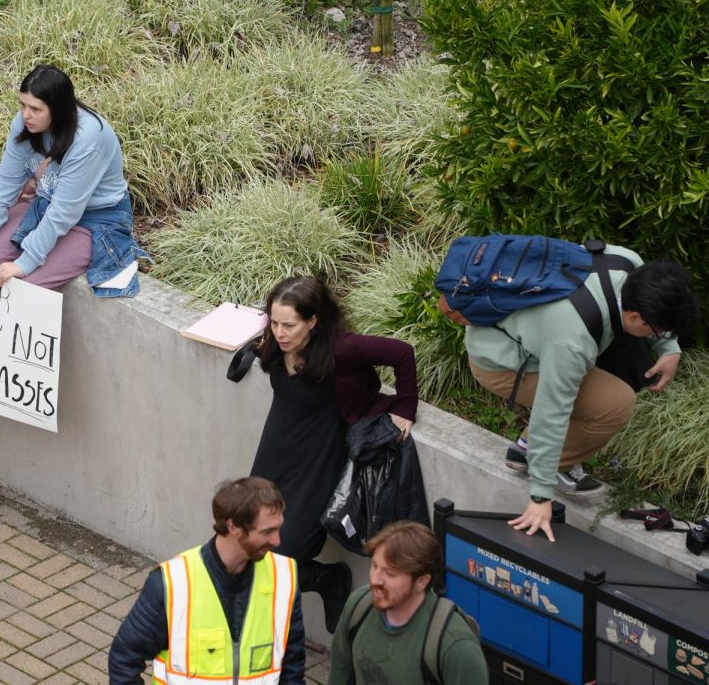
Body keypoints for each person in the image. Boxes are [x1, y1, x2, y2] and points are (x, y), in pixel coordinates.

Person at [465, 249, 700, 542]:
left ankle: (526, 447)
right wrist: (540, 498)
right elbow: (553, 411)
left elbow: (650, 320)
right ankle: (553, 464)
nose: (662, 335)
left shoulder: (628, 264)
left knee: (625, 363)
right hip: (500, 362)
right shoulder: (572, 341)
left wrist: (670, 349)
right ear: (636, 316)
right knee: (615, 404)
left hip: (533, 334)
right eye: (661, 331)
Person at [248, 276, 418, 633]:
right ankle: (317, 586)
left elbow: (402, 354)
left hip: (319, 457)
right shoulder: (276, 342)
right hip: (276, 447)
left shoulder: (343, 349)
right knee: (250, 541)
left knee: (286, 550)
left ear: (313, 321)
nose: (279, 332)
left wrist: (406, 407)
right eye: (274, 322)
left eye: (289, 325)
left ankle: (327, 580)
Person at [0, 64, 149, 297]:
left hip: (95, 220)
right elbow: (6, 182)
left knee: (23, 288)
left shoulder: (88, 140)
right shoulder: (26, 123)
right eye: (22, 104)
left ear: (59, 110)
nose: (25, 114)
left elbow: (64, 212)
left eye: (35, 108)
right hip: (46, 202)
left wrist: (25, 262)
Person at [108, 477, 306, 685]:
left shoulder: (283, 577)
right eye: (267, 532)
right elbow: (124, 658)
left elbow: (292, 666)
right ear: (233, 527)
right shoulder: (172, 584)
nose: (277, 541)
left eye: (278, 528)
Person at [328, 521, 488, 685]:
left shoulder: (456, 646)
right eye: (374, 565)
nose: (375, 579)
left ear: (421, 581)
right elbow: (339, 673)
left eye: (390, 573)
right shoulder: (359, 607)